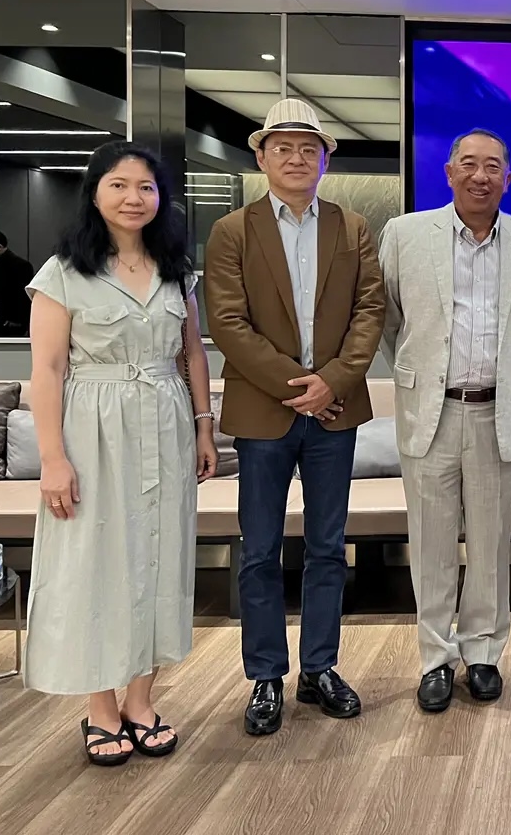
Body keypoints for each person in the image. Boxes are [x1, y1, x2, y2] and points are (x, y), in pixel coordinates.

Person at [24, 141, 217, 766]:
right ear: (95, 192)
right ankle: (100, 706)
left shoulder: (175, 270)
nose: (134, 198)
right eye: (119, 185)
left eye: (146, 187)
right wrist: (53, 459)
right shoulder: (63, 273)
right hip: (93, 428)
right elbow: (48, 371)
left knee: (160, 555)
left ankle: (141, 699)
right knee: (96, 560)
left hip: (166, 422)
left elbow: (192, 353)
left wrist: (204, 427)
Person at [205, 98, 385, 736]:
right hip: (265, 411)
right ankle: (264, 675)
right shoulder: (233, 230)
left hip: (336, 408)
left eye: (309, 149)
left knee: (328, 547)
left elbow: (371, 311)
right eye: (282, 147)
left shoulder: (352, 227)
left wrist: (332, 380)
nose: (296, 158)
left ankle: (319, 668)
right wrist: (298, 385)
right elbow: (227, 322)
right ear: (261, 157)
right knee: (258, 550)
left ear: (325, 160)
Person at [378, 129, 511, 713]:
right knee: (429, 543)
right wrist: (423, 376)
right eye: (470, 165)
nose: (481, 176)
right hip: (429, 410)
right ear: (449, 172)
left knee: (490, 542)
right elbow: (391, 322)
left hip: (495, 411)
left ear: (509, 178)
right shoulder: (404, 235)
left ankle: (483, 653)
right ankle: (435, 658)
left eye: (493, 166)